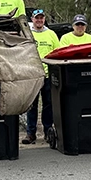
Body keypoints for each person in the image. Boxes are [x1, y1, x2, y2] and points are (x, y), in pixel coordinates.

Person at [23, 9, 60, 145]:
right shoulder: (27, 34)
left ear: (44, 19)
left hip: (48, 75)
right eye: (36, 18)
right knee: (32, 105)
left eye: (41, 18)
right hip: (32, 75)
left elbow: (58, 53)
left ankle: (48, 131)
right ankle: (30, 133)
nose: (39, 20)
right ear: (32, 19)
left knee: (48, 104)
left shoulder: (51, 34)